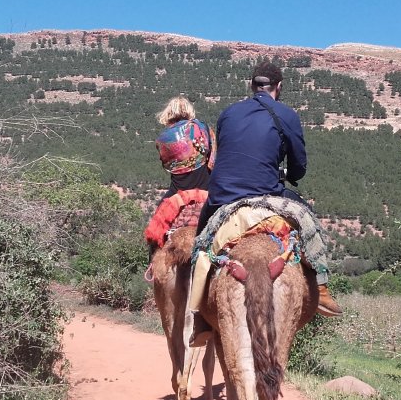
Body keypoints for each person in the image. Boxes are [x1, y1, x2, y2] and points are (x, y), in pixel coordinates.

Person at [196, 61, 342, 317]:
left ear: (251, 86)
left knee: (202, 241)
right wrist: (283, 173)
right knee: (308, 220)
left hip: (222, 195)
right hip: (266, 193)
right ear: (279, 87)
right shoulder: (286, 115)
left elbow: (223, 156)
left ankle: (197, 311)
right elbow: (299, 169)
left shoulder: (228, 113)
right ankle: (322, 290)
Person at [144, 97, 214, 255]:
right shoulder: (202, 128)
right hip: (207, 191)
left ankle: (152, 267)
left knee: (155, 238)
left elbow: (166, 165)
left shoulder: (162, 140)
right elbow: (214, 159)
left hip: (177, 195)